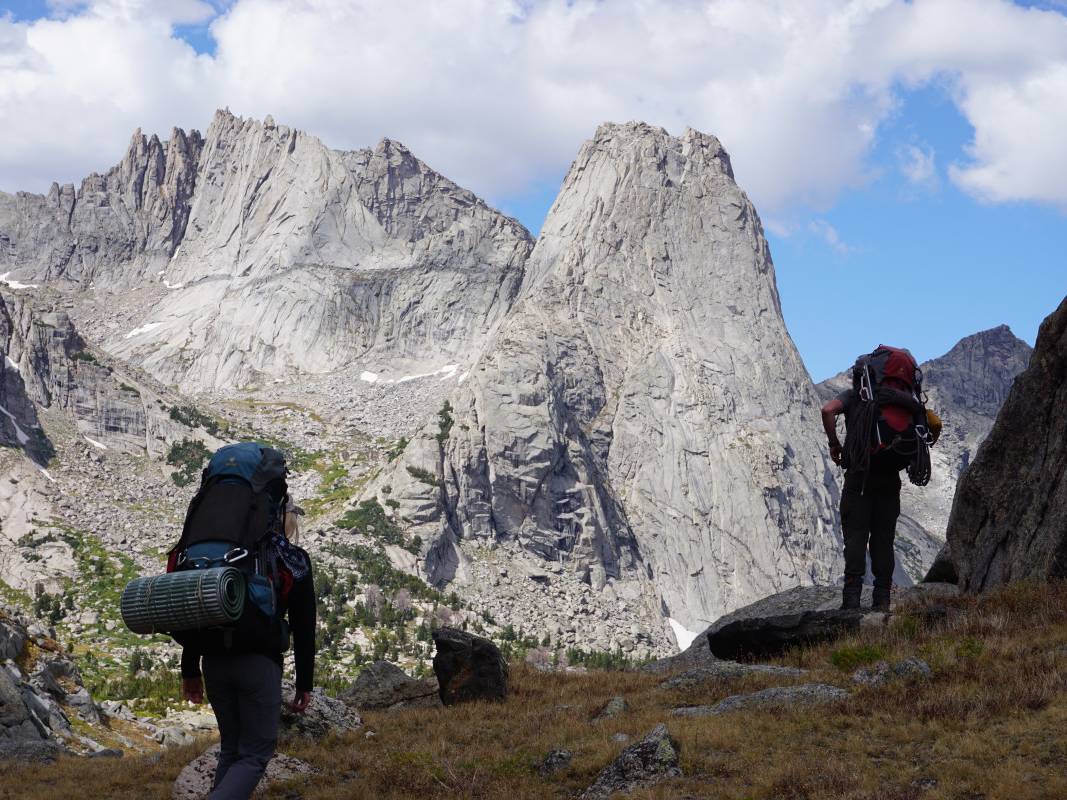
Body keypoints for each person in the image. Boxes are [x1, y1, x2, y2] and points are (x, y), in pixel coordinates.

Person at [179, 495, 316, 800]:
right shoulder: (289, 557)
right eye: (293, 514)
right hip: (258, 663)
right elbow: (304, 627)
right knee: (255, 755)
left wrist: (189, 669)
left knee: (231, 747)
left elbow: (198, 612)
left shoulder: (218, 554)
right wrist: (305, 682)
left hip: (212, 661)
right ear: (281, 515)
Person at [821, 347, 941, 612]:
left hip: (860, 478)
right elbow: (931, 429)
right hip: (890, 480)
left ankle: (851, 601)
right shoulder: (907, 402)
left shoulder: (858, 397)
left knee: (856, 537)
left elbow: (827, 410)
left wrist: (834, 444)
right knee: (883, 541)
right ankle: (882, 601)